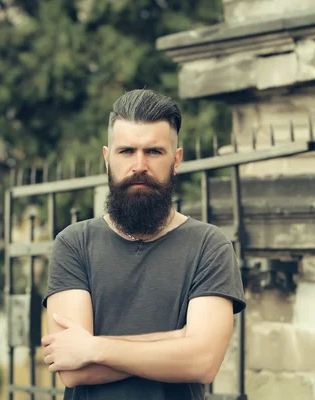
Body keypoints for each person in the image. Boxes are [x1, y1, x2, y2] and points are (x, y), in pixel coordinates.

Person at [41, 89, 246, 400]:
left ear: (176, 160)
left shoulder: (209, 246)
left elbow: (203, 362)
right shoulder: (73, 244)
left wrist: (95, 347)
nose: (139, 165)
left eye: (153, 152)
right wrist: (179, 342)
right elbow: (72, 370)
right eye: (126, 151)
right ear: (107, 159)